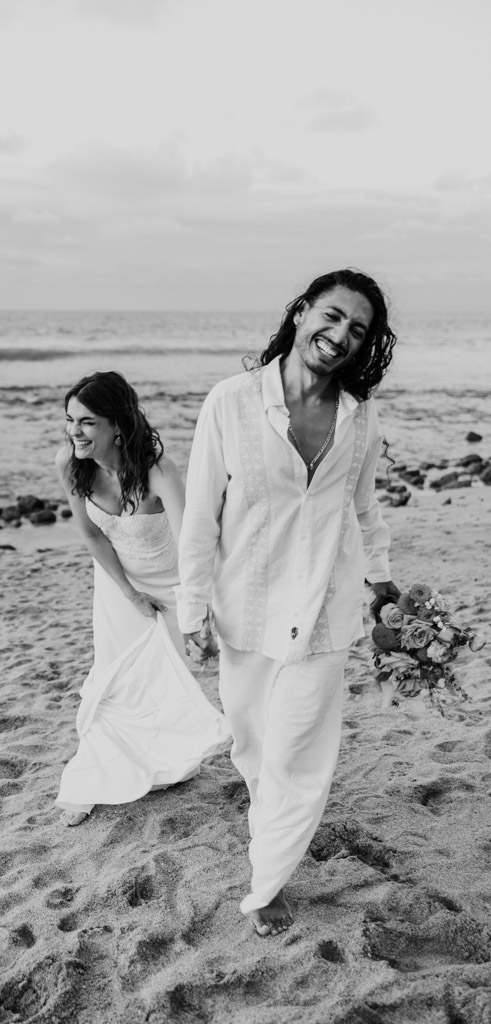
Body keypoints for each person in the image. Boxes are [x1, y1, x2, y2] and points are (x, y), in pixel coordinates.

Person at [175, 269, 400, 937]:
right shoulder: (230, 401)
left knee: (299, 748)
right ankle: (271, 824)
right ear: (301, 313)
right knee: (251, 743)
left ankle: (265, 883)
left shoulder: (360, 419)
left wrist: (381, 582)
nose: (339, 336)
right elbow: (198, 516)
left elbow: (363, 509)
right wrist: (189, 609)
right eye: (331, 317)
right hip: (245, 603)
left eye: (356, 330)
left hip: (325, 606)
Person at [54, 370, 229, 826]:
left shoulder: (157, 471)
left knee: (161, 681)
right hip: (117, 585)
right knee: (112, 678)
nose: (74, 430)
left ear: (117, 425)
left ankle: (158, 764)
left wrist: (197, 606)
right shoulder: (70, 463)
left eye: (87, 421)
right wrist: (129, 595)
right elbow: (93, 535)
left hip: (172, 585)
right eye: (70, 419)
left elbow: (192, 541)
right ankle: (90, 779)